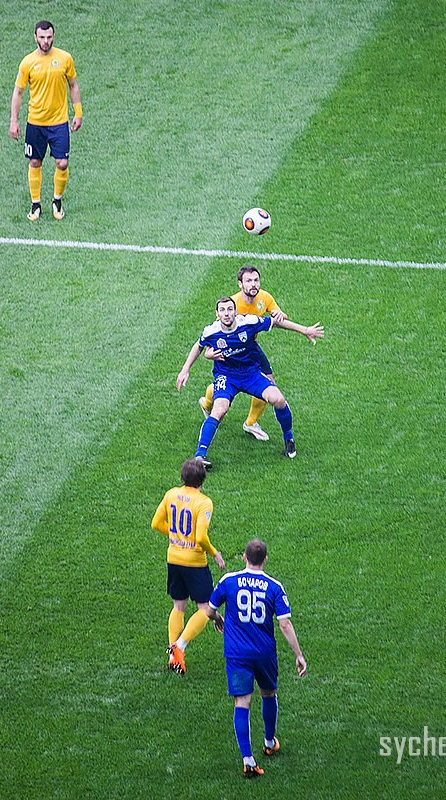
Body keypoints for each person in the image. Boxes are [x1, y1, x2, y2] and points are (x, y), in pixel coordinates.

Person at [176, 297, 324, 465]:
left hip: (251, 373)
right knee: (220, 409)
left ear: (235, 311)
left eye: (230, 309)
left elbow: (276, 323)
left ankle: (289, 439)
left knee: (278, 399)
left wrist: (304, 330)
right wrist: (185, 369)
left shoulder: (248, 322)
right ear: (217, 314)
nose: (226, 313)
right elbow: (199, 345)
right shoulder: (211, 331)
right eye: (222, 310)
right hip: (227, 376)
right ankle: (200, 455)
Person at [207, 538, 307, 778]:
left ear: (244, 557)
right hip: (264, 654)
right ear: (265, 559)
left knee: (242, 702)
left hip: (237, 655)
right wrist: (298, 654)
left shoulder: (228, 580)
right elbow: (284, 624)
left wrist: (218, 619)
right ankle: (270, 742)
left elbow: (210, 610)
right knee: (269, 694)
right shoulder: (274, 587)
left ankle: (248, 760)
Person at [151, 457, 225, 675]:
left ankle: (174, 655)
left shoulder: (171, 494)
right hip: (194, 562)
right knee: (205, 608)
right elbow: (201, 536)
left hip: (173, 558)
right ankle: (179, 646)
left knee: (178, 606)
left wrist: (175, 536)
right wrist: (214, 553)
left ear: (182, 477)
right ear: (202, 479)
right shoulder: (204, 502)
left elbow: (156, 524)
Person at [199, 265, 288, 442]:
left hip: (251, 348)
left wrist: (279, 314)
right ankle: (207, 403)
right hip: (232, 350)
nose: (253, 284)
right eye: (249, 281)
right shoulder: (231, 304)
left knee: (268, 383)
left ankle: (251, 422)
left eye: (256, 280)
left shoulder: (264, 297)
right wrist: (208, 354)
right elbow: (215, 334)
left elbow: (276, 315)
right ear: (240, 284)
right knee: (223, 387)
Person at [9, 20, 83, 221]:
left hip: (59, 122)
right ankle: (35, 205)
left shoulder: (65, 58)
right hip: (36, 123)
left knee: (62, 163)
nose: (45, 41)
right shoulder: (27, 62)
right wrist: (14, 121)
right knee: (35, 161)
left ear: (54, 36)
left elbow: (73, 85)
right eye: (42, 37)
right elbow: (18, 92)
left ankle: (57, 201)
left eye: (49, 37)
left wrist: (78, 112)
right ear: (35, 37)